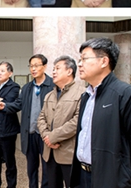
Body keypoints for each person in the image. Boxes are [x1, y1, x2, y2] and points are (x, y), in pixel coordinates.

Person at [71, 38, 131, 188]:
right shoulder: (86, 96)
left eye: (84, 59)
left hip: (113, 178)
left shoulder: (126, 94)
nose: (79, 64)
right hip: (83, 175)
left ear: (104, 61)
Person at [2, 54, 54, 188]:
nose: (33, 69)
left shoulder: (53, 86)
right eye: (31, 66)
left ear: (45, 66)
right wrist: (5, 106)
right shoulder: (26, 88)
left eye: (36, 65)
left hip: (46, 134)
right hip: (30, 132)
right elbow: (18, 104)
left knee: (47, 167)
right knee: (31, 167)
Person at [38, 56, 87, 188]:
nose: (53, 72)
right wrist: (46, 136)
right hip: (50, 152)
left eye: (57, 68)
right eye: (53, 69)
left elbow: (77, 121)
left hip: (69, 153)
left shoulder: (82, 93)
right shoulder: (49, 95)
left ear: (69, 71)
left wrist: (53, 137)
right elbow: (41, 118)